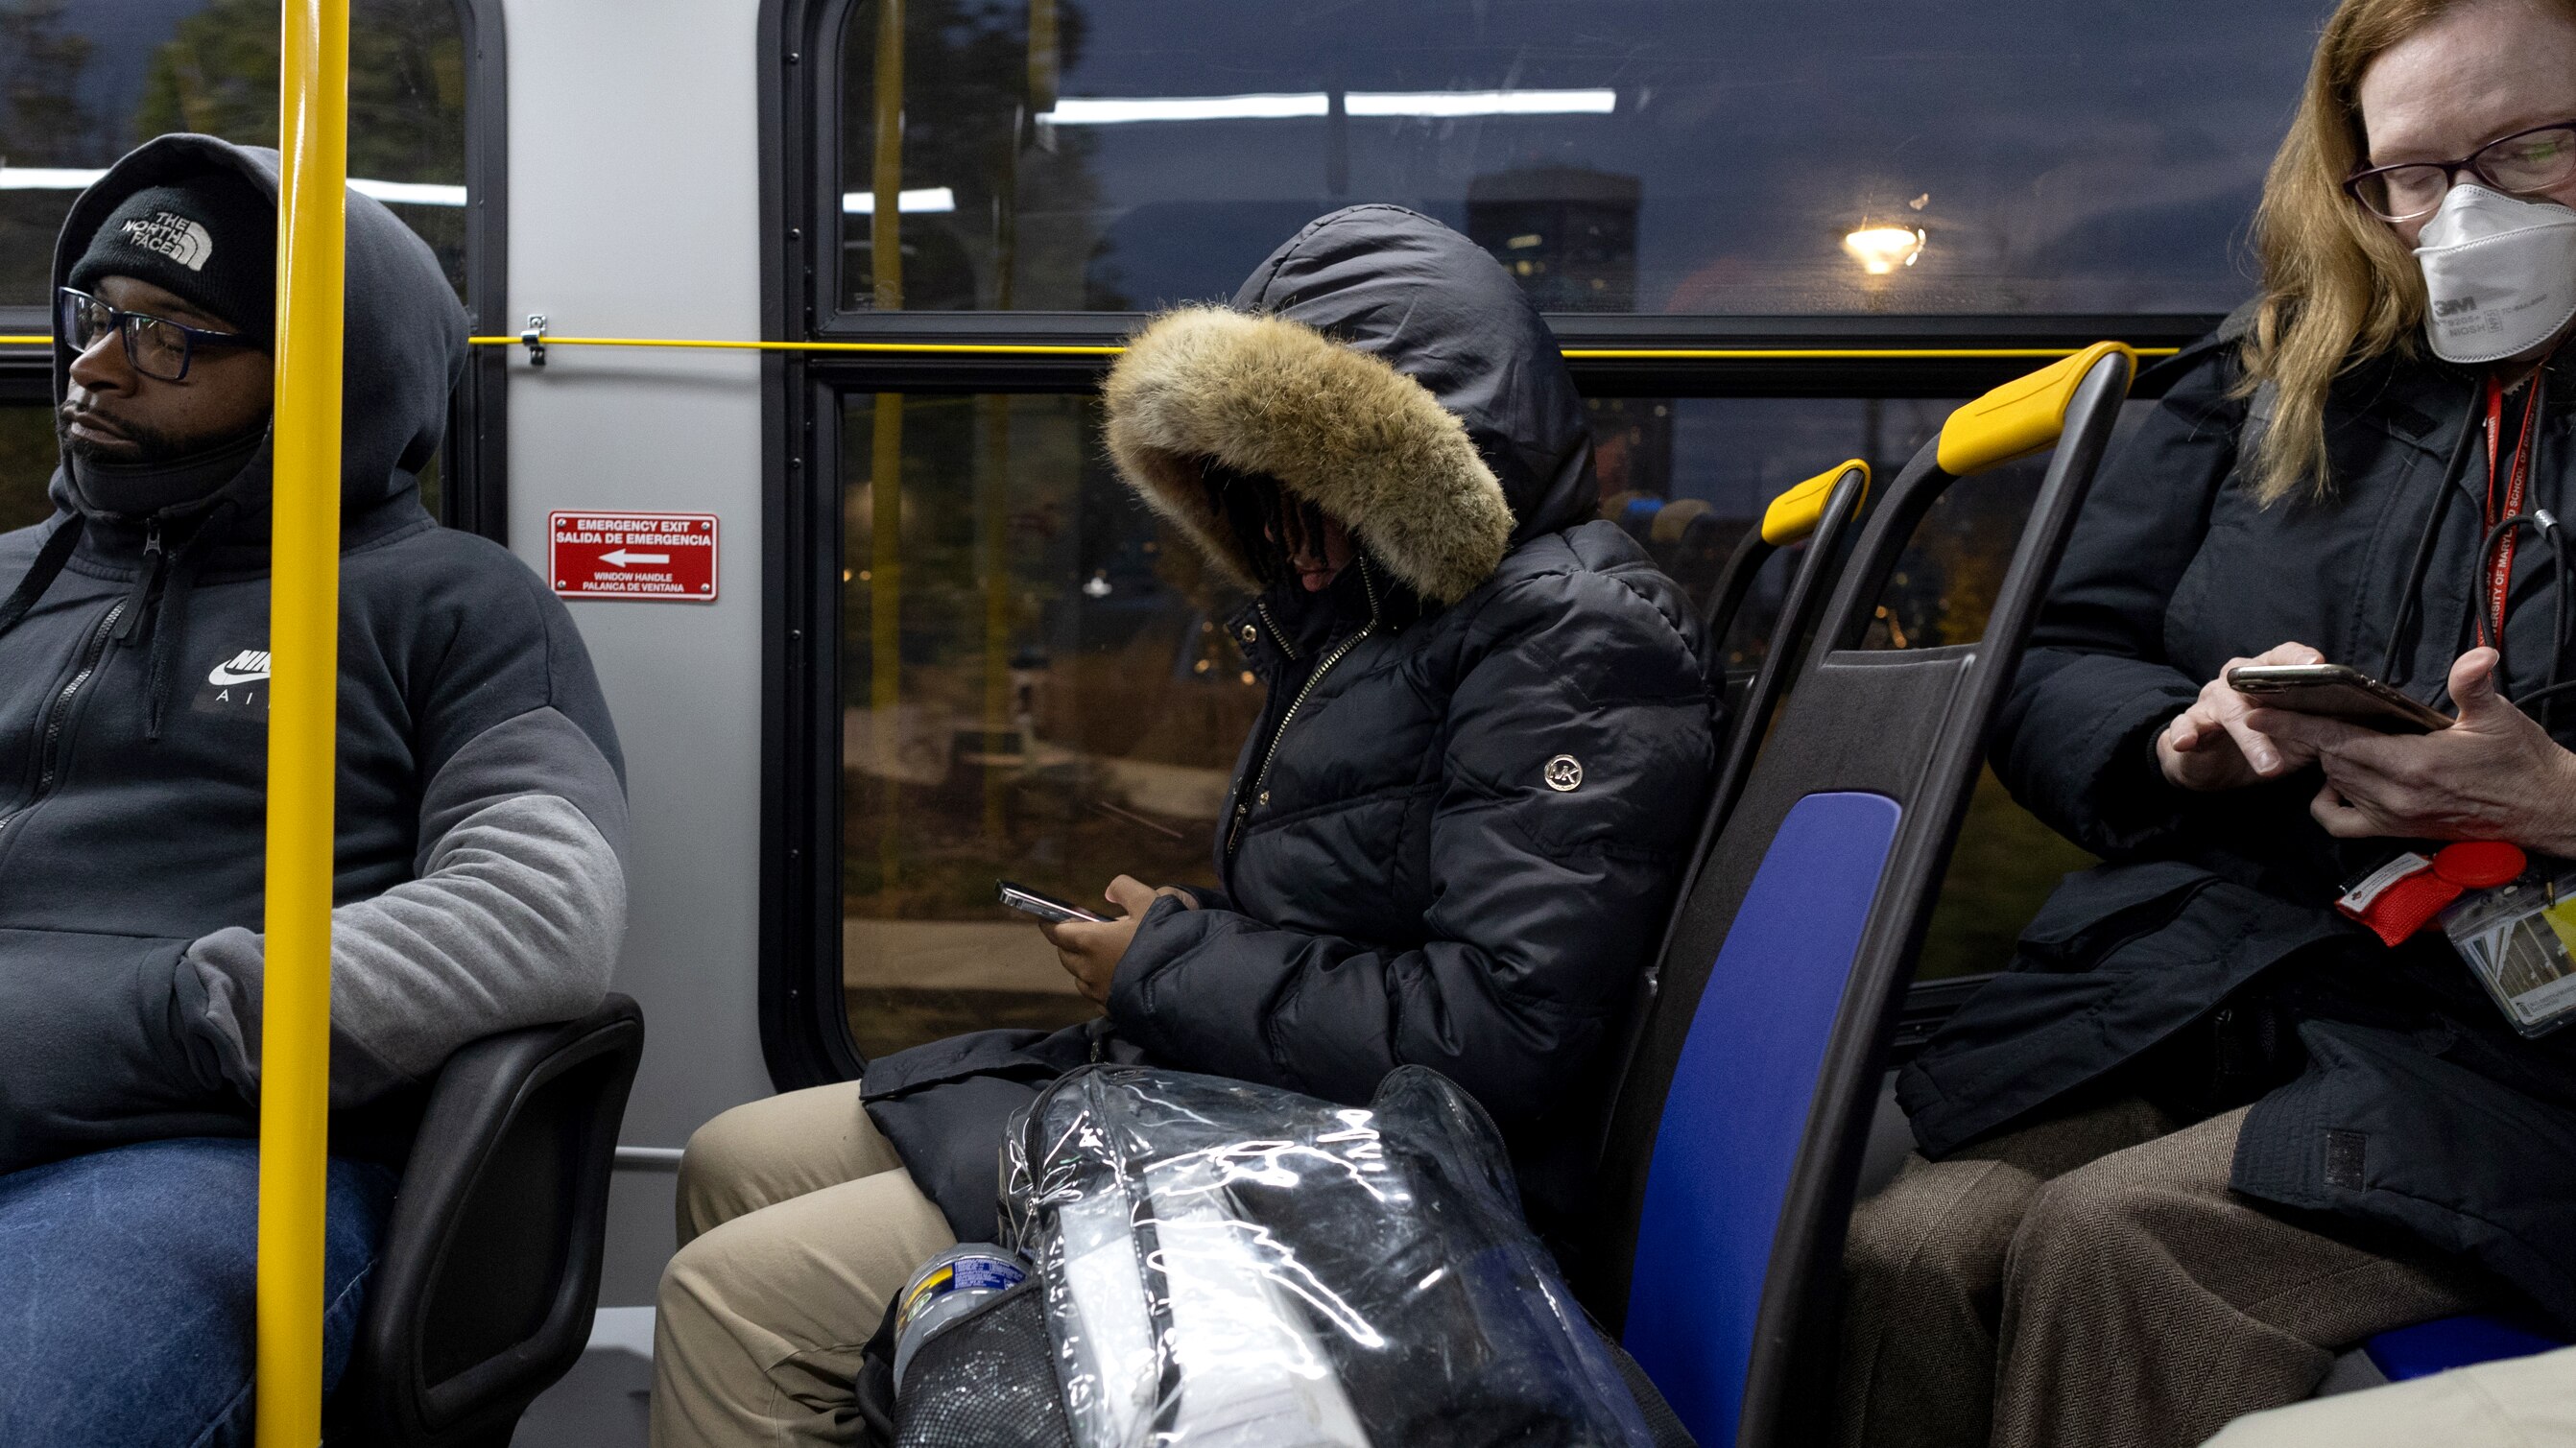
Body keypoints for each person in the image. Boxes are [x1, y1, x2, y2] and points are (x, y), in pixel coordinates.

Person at [649, 205, 1717, 1447]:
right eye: (1266, 513)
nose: (1296, 555)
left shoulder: (1565, 637)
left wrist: (1163, 965)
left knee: (734, 1303)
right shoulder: (1381, 627)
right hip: (1267, 1100)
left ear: (1422, 466)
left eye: (1324, 504)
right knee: (727, 1153)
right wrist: (1186, 939)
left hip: (1374, 1184)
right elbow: (1372, 908)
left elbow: (1497, 1028)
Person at [1833, 3, 2576, 1446]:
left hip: (2516, 1038)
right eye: (2411, 176)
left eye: (2532, 148)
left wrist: (2554, 798)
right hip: (2252, 964)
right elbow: (2053, 650)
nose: (2460, 216)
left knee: (2131, 1247)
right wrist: (2174, 734)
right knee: (1904, 1248)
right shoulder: (2278, 380)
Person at [0, 136, 628, 1446]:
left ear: (321, 378)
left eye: (174, 337)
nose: (98, 365)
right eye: (96, 318)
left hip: (201, 1155)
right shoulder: (17, 580)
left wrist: (186, 1010)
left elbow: (540, 909)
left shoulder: (451, 605)